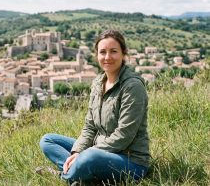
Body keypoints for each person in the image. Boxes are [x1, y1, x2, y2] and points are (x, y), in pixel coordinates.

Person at [39, 30, 150, 185]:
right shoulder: (98, 83)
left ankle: (65, 176)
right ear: (96, 55)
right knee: (48, 140)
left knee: (90, 157)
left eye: (114, 51)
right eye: (102, 52)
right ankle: (79, 171)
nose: (107, 57)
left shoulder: (133, 86)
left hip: (130, 161)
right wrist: (78, 151)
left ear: (123, 54)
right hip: (98, 150)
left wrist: (88, 152)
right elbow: (90, 127)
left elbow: (124, 136)